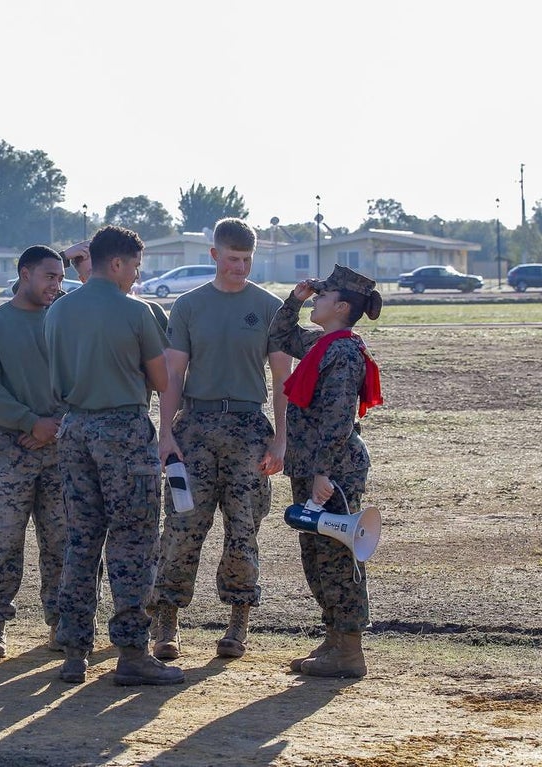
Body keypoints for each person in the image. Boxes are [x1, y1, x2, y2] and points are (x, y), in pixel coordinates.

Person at [44, 224, 183, 686]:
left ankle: (73, 651)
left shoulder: (58, 312)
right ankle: (131, 651)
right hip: (123, 428)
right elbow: (163, 381)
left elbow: (55, 376)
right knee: (132, 541)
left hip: (74, 428)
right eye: (135, 268)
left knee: (81, 542)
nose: (136, 277)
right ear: (118, 263)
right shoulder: (137, 312)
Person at [150, 217, 291, 662]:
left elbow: (282, 378)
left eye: (248, 260)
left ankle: (238, 621)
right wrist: (166, 432)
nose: (241, 268)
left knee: (244, 528)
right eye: (233, 259)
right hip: (196, 429)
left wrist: (280, 441)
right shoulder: (189, 307)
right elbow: (174, 374)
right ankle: (166, 620)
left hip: (249, 430)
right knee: (183, 525)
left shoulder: (269, 307)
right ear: (214, 256)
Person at [269, 264, 384, 678]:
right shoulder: (326, 345)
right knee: (317, 555)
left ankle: (349, 649)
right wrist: (294, 300)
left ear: (341, 306)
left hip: (331, 471)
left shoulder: (342, 352)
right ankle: (336, 637)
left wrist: (321, 472)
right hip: (317, 468)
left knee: (337, 553)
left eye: (322, 296)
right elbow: (279, 336)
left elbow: (338, 419)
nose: (316, 299)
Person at [0, 245, 67, 657]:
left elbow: (86, 375)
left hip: (63, 449)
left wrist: (55, 426)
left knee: (63, 542)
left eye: (60, 278)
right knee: (2, 540)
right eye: (49, 277)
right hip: (10, 450)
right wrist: (31, 423)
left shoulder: (67, 321)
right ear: (25, 274)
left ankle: (63, 623)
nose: (56, 285)